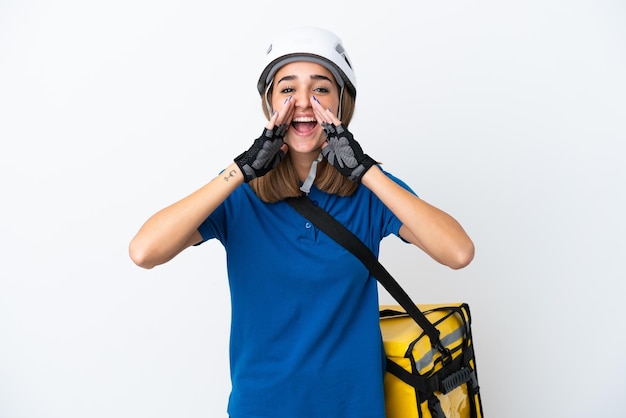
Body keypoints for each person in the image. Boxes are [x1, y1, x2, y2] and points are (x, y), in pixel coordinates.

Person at [129, 27, 474, 418]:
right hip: (261, 408)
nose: (304, 102)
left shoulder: (370, 193)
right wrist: (240, 170)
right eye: (288, 89)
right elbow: (144, 251)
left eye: (321, 88)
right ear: (270, 104)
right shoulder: (239, 197)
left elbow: (458, 252)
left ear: (342, 103)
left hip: (355, 410)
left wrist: (366, 170)